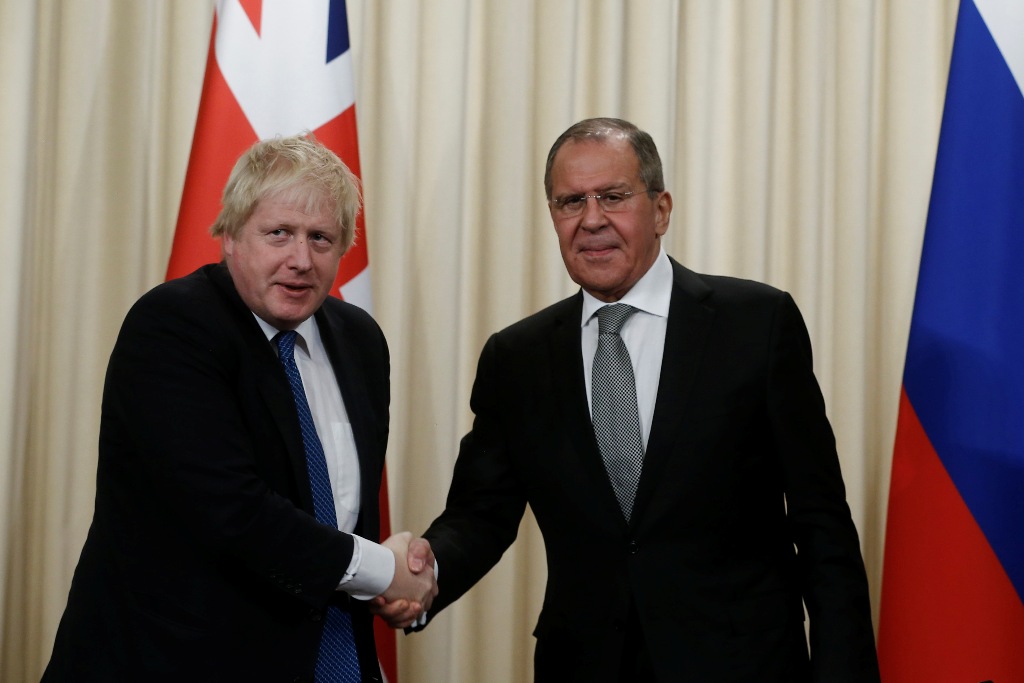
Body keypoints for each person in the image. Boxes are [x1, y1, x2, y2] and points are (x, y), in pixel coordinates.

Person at [377, 118, 880, 682]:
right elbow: (481, 513)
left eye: (613, 197)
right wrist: (427, 571)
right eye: (570, 202)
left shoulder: (756, 324)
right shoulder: (516, 358)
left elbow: (821, 521)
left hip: (742, 664)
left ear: (661, 209)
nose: (591, 219)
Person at [43, 134, 436, 682]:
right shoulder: (173, 327)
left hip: (324, 658)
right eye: (279, 233)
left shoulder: (359, 341)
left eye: (321, 238)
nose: (301, 259)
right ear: (230, 235)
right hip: (173, 660)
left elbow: (343, 511)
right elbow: (234, 514)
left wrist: (396, 582)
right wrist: (381, 570)